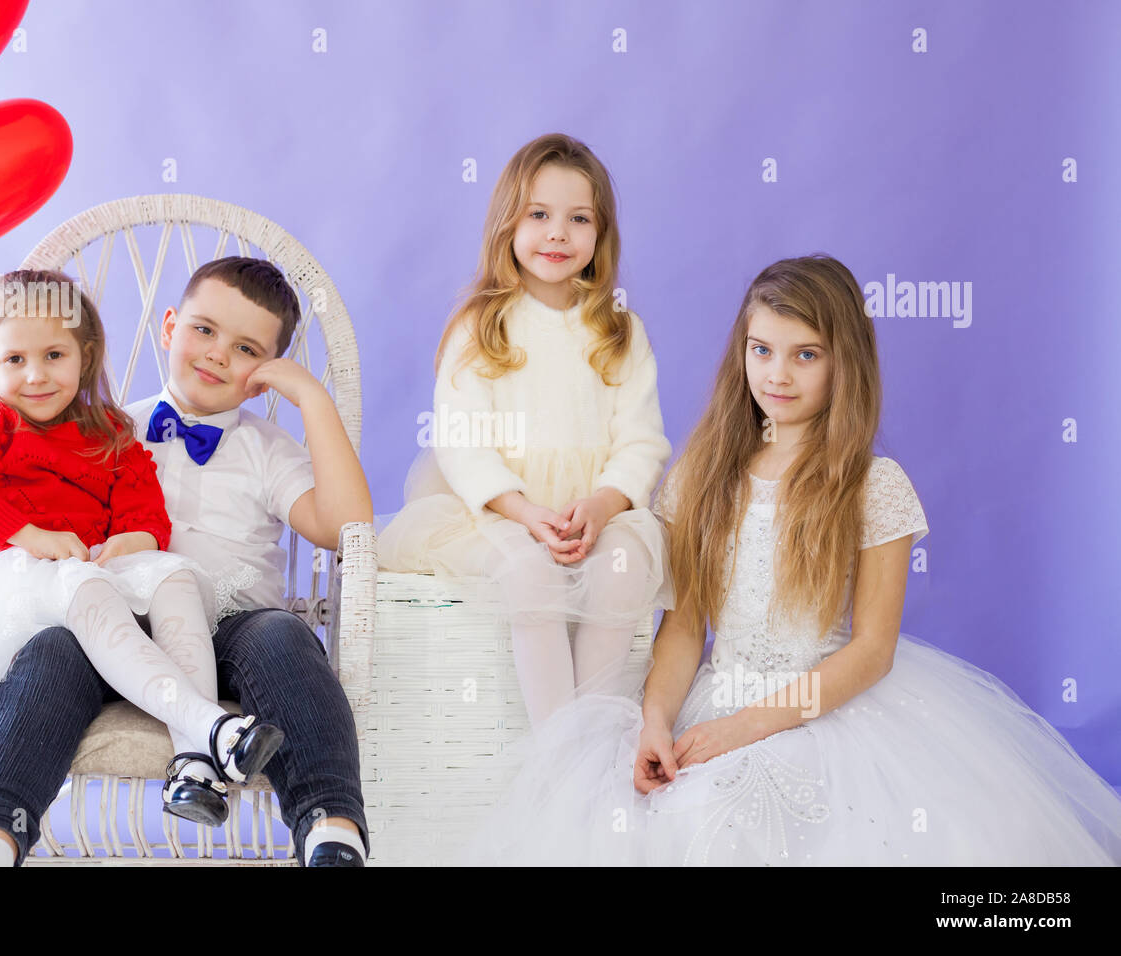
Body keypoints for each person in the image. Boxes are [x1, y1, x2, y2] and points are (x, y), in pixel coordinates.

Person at [462, 254, 1121, 865]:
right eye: (762, 350)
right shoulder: (701, 476)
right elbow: (686, 629)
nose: (777, 373)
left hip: (828, 704)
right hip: (716, 700)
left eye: (806, 355)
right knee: (675, 823)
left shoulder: (874, 486)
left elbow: (871, 652)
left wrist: (746, 727)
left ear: (844, 364)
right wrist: (656, 719)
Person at [0, 257, 373, 866]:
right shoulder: (102, 427)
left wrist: (309, 396)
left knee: (285, 636)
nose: (218, 354)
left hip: (234, 631)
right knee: (50, 651)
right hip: (111, 626)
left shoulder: (268, 449)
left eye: (246, 348)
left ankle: (331, 830)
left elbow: (344, 526)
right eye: (204, 330)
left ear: (266, 371)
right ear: (169, 326)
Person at [377, 133, 674, 727]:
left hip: (597, 508)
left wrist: (601, 503)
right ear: (507, 224)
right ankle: (557, 750)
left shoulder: (621, 331)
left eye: (578, 218)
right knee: (530, 573)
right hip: (498, 510)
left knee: (626, 569)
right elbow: (462, 443)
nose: (558, 233)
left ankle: (591, 738)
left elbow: (642, 441)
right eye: (538, 214)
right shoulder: (481, 326)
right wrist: (525, 512)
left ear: (601, 233)